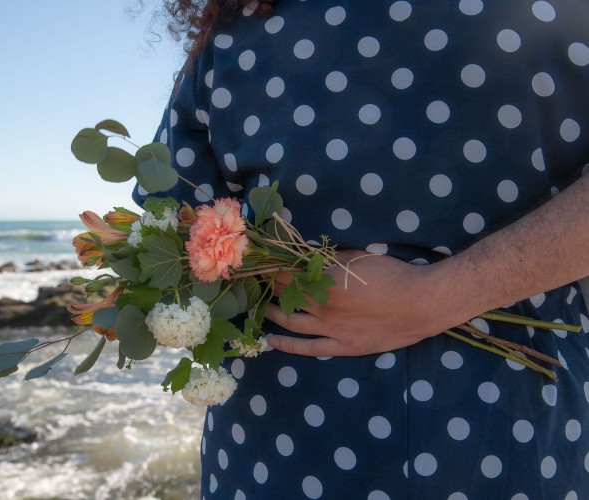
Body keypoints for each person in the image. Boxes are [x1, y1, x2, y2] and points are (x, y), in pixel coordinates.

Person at [135, 1, 589, 497]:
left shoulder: (237, 33)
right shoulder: (234, 34)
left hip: (288, 444)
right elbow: (180, 239)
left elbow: (175, 227)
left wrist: (431, 298)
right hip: (515, 432)